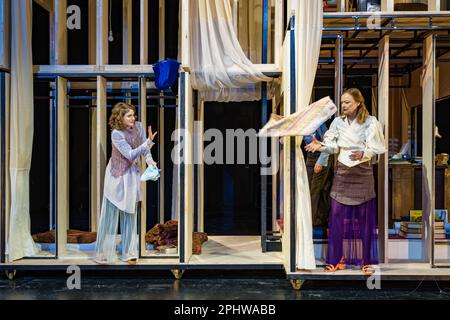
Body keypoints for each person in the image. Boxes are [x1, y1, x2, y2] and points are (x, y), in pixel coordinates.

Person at [305, 88, 386, 275]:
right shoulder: (337, 123)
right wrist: (321, 146)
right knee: (336, 218)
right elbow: (333, 147)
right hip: (342, 174)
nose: (343, 105)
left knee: (365, 221)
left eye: (347, 102)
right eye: (342, 102)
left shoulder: (370, 122)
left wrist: (364, 153)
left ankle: (366, 261)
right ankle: (336, 259)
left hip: (362, 173)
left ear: (358, 102)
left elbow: (377, 147)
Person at [94, 102, 157, 265]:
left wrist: (150, 163)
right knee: (111, 211)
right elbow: (130, 154)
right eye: (129, 115)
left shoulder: (139, 127)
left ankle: (129, 252)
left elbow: (145, 151)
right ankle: (103, 251)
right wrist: (148, 143)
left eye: (133, 114)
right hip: (117, 175)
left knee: (130, 211)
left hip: (130, 175)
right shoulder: (116, 134)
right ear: (120, 118)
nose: (133, 118)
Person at [304, 124, 334, 233]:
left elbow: (327, 144)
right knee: (309, 189)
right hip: (310, 156)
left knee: (315, 190)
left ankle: (311, 222)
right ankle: (316, 219)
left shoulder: (320, 125)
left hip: (321, 155)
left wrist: (321, 162)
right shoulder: (304, 124)